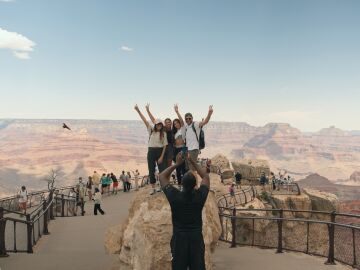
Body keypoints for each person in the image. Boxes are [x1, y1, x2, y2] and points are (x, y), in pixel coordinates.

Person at [159, 153, 210, 270]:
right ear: (195, 185)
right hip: (196, 239)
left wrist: (176, 164)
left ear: (181, 184)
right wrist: (192, 161)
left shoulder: (174, 196)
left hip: (179, 239)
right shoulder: (200, 196)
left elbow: (162, 176)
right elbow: (206, 177)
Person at [134, 104, 168, 195]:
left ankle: (161, 186)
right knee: (151, 169)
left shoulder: (163, 133)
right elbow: (144, 120)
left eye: (160, 124)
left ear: (161, 125)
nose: (159, 125)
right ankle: (153, 187)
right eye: (157, 124)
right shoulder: (151, 130)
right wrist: (138, 111)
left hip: (160, 151)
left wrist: (161, 157)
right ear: (155, 125)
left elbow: (165, 146)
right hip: (151, 151)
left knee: (162, 169)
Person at [178, 105, 214, 172]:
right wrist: (177, 111)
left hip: (194, 149)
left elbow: (205, 122)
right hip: (187, 149)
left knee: (192, 167)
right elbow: (181, 121)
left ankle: (193, 181)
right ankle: (191, 180)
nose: (188, 120)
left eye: (189, 118)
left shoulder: (196, 124)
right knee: (188, 166)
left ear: (192, 118)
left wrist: (209, 113)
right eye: (186, 119)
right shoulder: (186, 126)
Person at [146, 104, 174, 168]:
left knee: (169, 166)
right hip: (162, 148)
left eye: (169, 122)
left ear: (171, 123)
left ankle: (167, 177)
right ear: (164, 123)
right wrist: (148, 111)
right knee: (163, 165)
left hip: (170, 149)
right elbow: (154, 120)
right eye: (166, 122)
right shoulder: (162, 128)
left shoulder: (173, 131)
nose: (168, 123)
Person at [172, 104, 187, 187]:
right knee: (177, 167)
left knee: (184, 167)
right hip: (176, 150)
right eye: (174, 124)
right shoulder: (174, 132)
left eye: (177, 123)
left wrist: (177, 111)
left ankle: (185, 184)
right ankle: (179, 185)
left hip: (183, 148)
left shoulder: (182, 129)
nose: (176, 124)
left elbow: (182, 121)